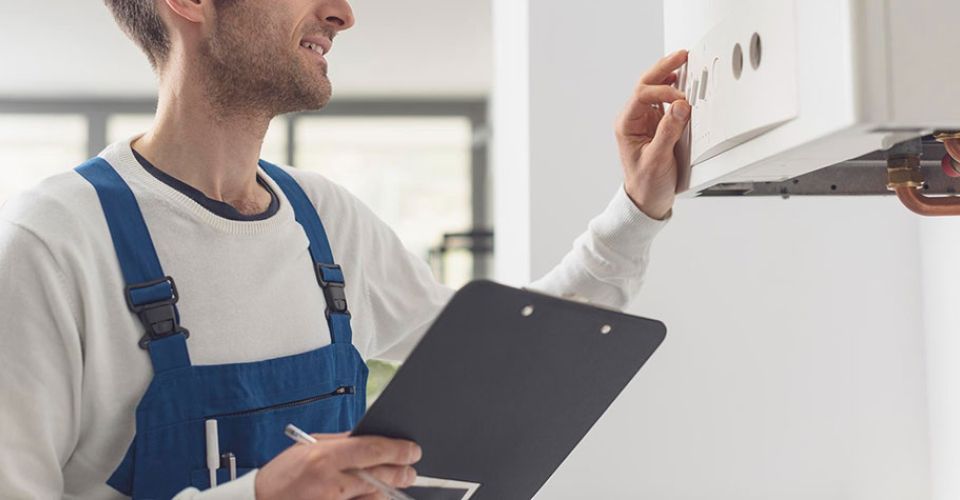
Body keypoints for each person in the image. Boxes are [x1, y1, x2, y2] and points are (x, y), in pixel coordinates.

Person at [0, 0, 691, 498]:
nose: (343, 12)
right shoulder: (54, 241)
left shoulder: (323, 217)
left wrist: (636, 207)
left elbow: (518, 349)